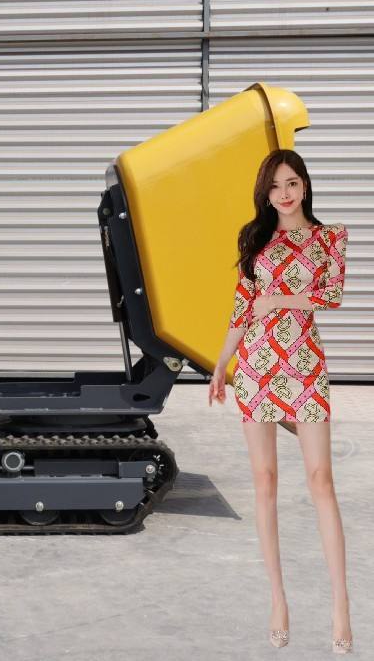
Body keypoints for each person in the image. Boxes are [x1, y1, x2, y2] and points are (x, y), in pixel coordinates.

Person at [207, 149, 353, 654]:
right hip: (256, 366)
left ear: (304, 185)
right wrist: (221, 364)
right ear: (265, 194)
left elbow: (332, 295)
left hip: (305, 365)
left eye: (291, 183)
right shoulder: (254, 239)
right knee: (264, 481)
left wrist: (281, 299)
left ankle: (340, 606)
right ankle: (278, 600)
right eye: (274, 186)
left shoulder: (329, 237)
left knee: (321, 480)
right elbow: (241, 307)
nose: (284, 193)